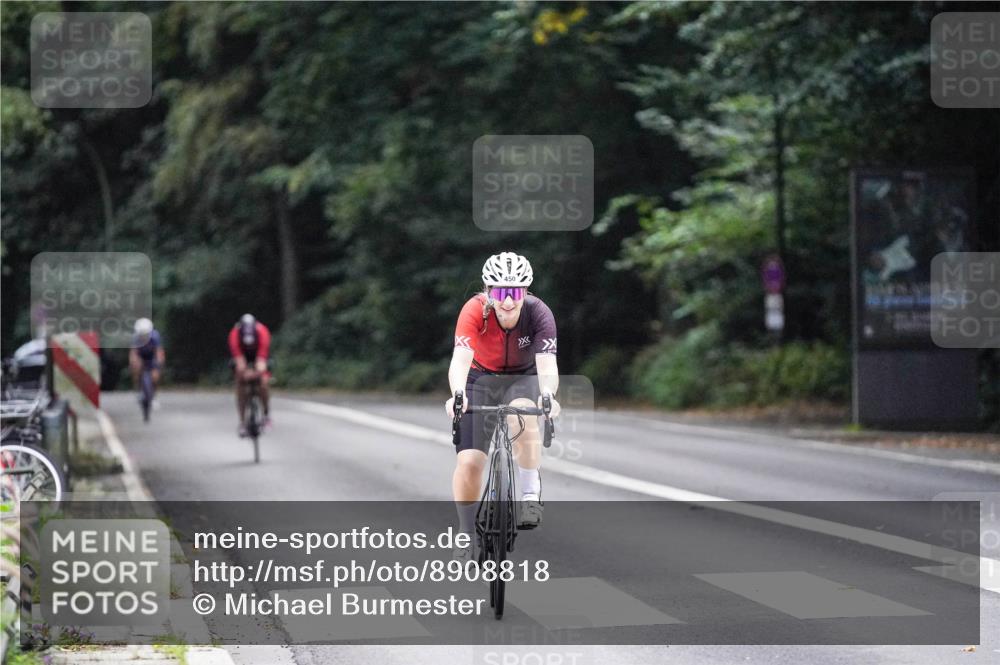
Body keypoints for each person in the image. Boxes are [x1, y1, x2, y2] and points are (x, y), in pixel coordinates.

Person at [445, 252, 561, 562]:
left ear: (526, 291)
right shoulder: (473, 311)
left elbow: (547, 366)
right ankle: (466, 532)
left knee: (522, 413)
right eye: (499, 292)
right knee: (469, 462)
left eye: (515, 292)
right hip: (479, 379)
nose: (508, 301)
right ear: (487, 291)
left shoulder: (538, 313)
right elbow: (459, 362)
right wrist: (458, 393)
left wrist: (548, 395)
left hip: (521, 379)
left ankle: (529, 493)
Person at [228, 313, 272, 437]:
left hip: (258, 354)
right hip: (243, 356)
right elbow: (239, 361)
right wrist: (243, 373)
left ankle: (266, 415)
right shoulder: (234, 334)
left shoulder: (262, 332)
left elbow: (262, 362)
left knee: (263, 382)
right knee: (240, 384)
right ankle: (242, 422)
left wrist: (257, 373)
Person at [130, 318, 164, 406]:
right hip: (141, 355)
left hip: (151, 356)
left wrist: (159, 363)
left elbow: (158, 351)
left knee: (155, 376)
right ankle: (139, 390)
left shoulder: (155, 336)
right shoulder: (135, 337)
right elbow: (133, 352)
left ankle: (154, 396)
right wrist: (134, 362)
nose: (143, 336)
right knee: (136, 368)